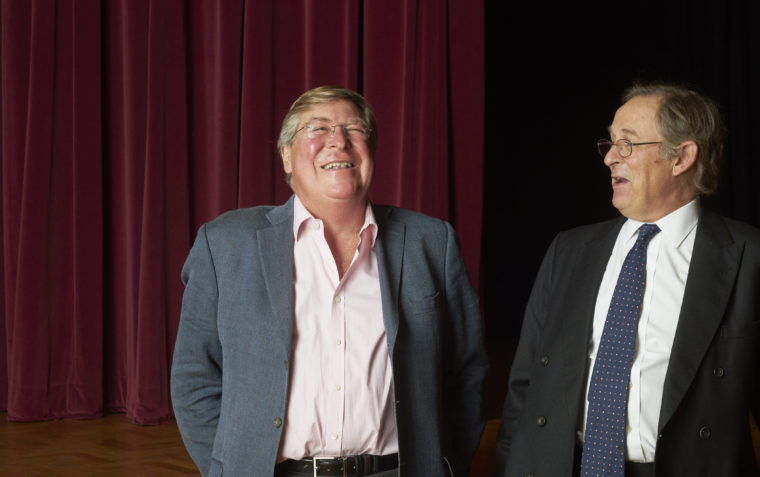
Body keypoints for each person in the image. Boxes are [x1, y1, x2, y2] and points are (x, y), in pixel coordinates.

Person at [171, 85, 487, 477]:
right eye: (317, 129)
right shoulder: (225, 244)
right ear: (286, 155)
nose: (338, 141)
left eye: (354, 130)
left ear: (371, 151)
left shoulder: (432, 242)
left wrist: (447, 465)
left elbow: (466, 373)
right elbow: (193, 378)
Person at [495, 82, 760, 477]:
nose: (610, 159)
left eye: (628, 144)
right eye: (611, 144)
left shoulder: (748, 255)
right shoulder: (568, 251)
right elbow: (525, 388)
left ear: (681, 157)